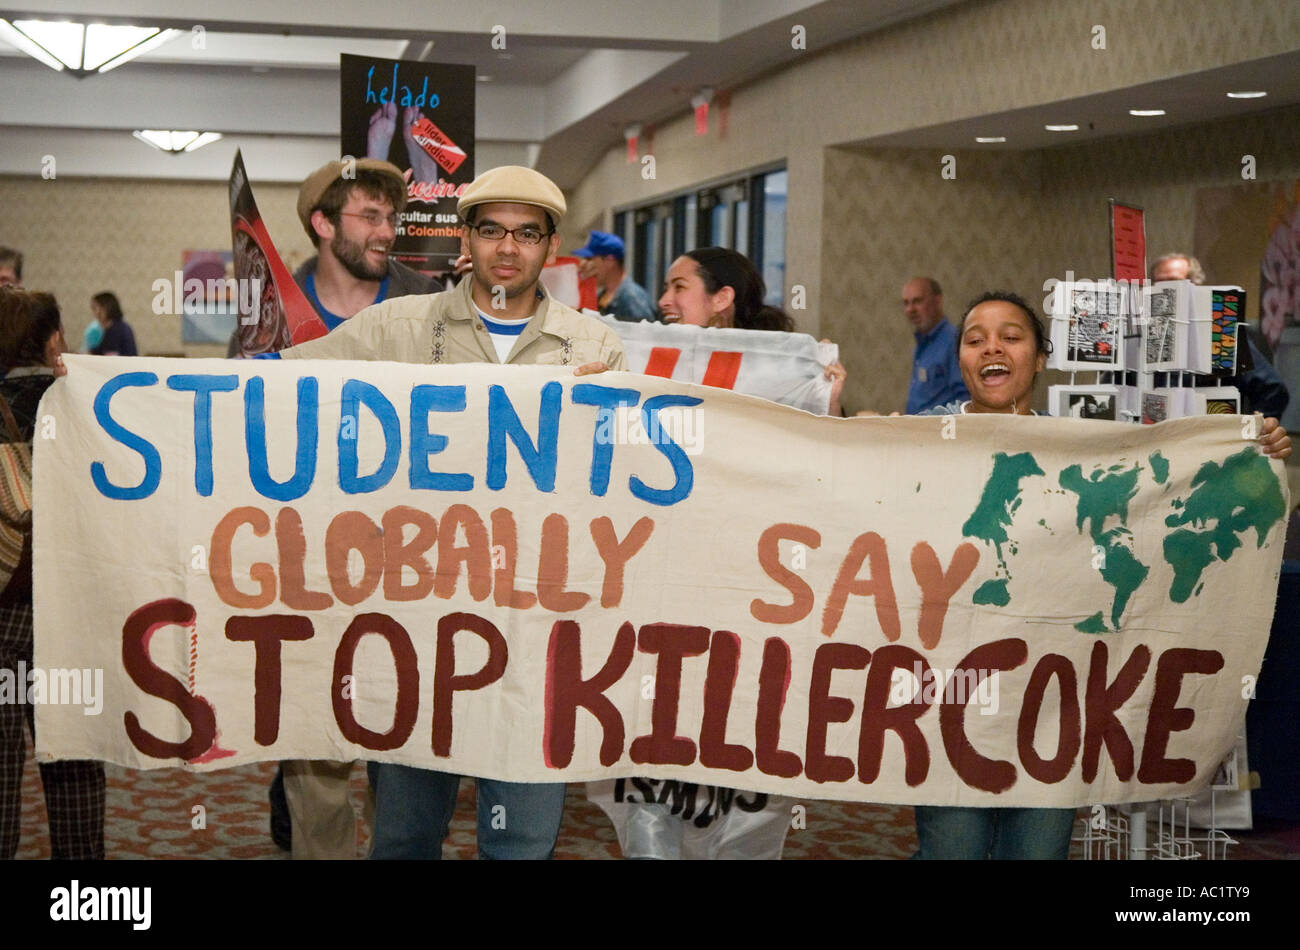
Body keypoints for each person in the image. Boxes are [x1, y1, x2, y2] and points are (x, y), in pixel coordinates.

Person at [271, 164, 626, 859]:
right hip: (418, 628)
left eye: (528, 234)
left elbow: (625, 476)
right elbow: (276, 381)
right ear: (466, 236)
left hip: (536, 631)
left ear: (550, 248)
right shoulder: (396, 329)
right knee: (405, 834)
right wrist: (117, 383)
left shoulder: (595, 349)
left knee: (523, 840)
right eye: (491, 229)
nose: (507, 248)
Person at [912, 289, 1289, 859]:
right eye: (974, 339)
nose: (992, 347)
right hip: (953, 688)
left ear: (1040, 359)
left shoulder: (1084, 454)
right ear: (959, 358)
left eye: (1011, 337)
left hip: (1053, 696)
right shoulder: (920, 442)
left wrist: (1252, 449)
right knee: (953, 852)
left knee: (1036, 854)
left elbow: (1160, 509)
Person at [263, 157, 442, 859]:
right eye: (369, 216)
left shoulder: (430, 306)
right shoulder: (270, 312)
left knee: (404, 738)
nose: (385, 231)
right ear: (322, 223)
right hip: (302, 555)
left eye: (391, 218)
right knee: (312, 741)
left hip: (410, 555)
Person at [0, 287, 106, 860]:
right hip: (71, 611)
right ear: (51, 338)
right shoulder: (84, 405)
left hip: (2, 607)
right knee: (74, 766)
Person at [659, 246, 847, 415]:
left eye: (679, 287)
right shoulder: (650, 360)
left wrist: (827, 403)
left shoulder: (778, 372)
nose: (663, 301)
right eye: (666, 289)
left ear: (721, 298)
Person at [1150, 252, 1288, 417]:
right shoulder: (1148, 333)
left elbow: (1273, 389)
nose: (1166, 291)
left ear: (1195, 286)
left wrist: (1252, 432)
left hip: (1207, 431)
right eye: (1159, 283)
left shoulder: (1219, 330)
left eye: (1174, 282)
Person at [902, 277, 968, 414]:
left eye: (917, 301)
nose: (910, 309)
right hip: (918, 430)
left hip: (940, 431)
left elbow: (965, 398)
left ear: (937, 301)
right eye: (906, 303)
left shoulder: (953, 341)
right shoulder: (922, 343)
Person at [574, 231, 658, 321]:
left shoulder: (632, 299)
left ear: (610, 260)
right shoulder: (603, 296)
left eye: (589, 258)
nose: (582, 264)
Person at [88, 292, 137, 356]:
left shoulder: (120, 329)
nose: (95, 313)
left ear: (106, 308)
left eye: (95, 308)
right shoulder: (107, 329)